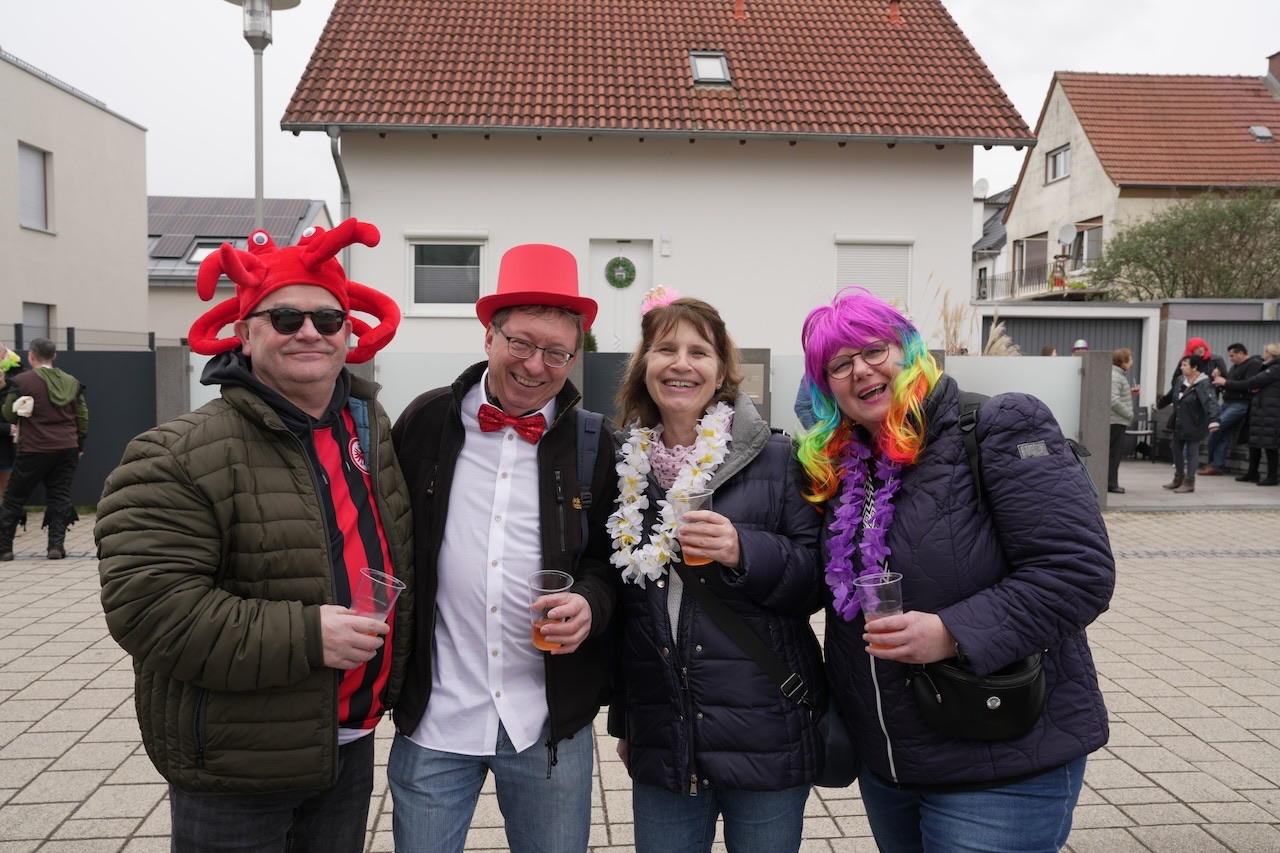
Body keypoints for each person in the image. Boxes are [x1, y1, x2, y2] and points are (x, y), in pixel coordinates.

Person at [96, 220, 412, 852]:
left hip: (347, 745)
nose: (308, 333)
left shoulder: (368, 428)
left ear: (350, 332)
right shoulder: (173, 453)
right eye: (285, 318)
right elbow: (148, 610)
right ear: (243, 332)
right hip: (238, 764)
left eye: (327, 319)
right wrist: (305, 634)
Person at [796, 287, 1114, 853]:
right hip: (892, 762)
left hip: (1002, 758)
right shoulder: (844, 466)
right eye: (838, 365)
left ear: (909, 350)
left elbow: (1077, 572)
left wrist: (952, 633)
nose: (860, 371)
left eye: (873, 351)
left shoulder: (997, 423)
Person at [388, 243, 619, 853]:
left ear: (573, 357)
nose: (536, 365)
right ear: (489, 335)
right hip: (436, 715)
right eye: (521, 342)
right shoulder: (424, 423)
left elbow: (610, 561)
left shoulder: (597, 444)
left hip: (546, 724)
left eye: (556, 352)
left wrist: (592, 604)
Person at [606, 295, 824, 853]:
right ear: (644, 366)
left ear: (722, 370)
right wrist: (627, 722)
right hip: (665, 737)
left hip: (766, 731)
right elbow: (629, 613)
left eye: (698, 351)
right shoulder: (622, 467)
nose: (681, 364)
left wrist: (743, 549)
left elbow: (817, 582)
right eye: (666, 349)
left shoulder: (779, 458)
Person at [0, 338, 88, 561]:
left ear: (31, 356)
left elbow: (9, 414)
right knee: (59, 496)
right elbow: (82, 417)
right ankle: (55, 548)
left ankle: (5, 549)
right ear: (54, 356)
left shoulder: (22, 381)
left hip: (33, 448)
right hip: (66, 447)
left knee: (14, 497)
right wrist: (80, 444)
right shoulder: (72, 382)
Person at [1213, 342, 1280, 485]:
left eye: (1265, 352)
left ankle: (1272, 477)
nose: (1263, 355)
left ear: (1271, 353)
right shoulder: (1267, 367)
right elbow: (1251, 385)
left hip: (1270, 411)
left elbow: (1252, 382)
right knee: (1254, 443)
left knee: (1270, 446)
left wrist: (1252, 386)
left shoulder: (1274, 368)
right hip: (1260, 410)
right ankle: (1252, 473)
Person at [1156, 354, 1220, 493]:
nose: (1181, 367)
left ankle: (1190, 482)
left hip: (1195, 422)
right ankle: (1178, 478)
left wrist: (1214, 420)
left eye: (1185, 365)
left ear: (1194, 367)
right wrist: (1159, 404)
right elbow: (1170, 395)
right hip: (1179, 421)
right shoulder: (1180, 380)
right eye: (1182, 364)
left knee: (1192, 452)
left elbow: (1211, 403)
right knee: (1176, 449)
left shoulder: (1204, 383)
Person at [1202, 343, 1263, 476]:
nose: (1230, 358)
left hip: (1240, 404)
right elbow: (1229, 383)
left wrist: (1225, 382)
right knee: (1222, 434)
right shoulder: (1236, 366)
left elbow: (1249, 384)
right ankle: (1217, 466)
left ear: (1241, 353)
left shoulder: (1253, 364)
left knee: (1215, 429)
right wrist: (1218, 377)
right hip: (1228, 402)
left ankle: (1212, 463)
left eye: (1232, 355)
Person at [1107, 348, 1140, 494]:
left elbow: (1117, 396)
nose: (1132, 362)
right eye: (1130, 359)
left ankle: (1111, 482)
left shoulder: (1117, 375)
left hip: (1117, 420)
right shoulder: (1116, 376)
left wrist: (1129, 393)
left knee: (1114, 453)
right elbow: (1112, 400)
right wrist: (1128, 414)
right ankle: (1111, 484)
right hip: (1116, 421)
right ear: (1123, 362)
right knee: (1114, 454)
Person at [0, 344, 22, 502]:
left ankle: (6, 525)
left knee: (5, 493)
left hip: (5, 452)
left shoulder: (12, 389)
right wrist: (7, 428)